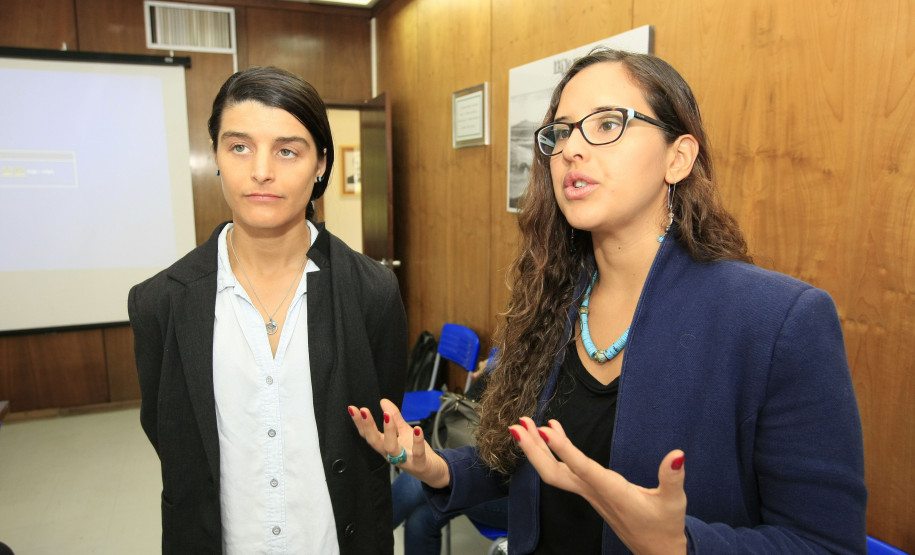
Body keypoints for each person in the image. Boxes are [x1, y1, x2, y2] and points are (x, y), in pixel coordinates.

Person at [350, 48, 866, 554]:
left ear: (677, 158)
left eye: (606, 124)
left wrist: (679, 547)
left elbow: (825, 542)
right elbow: (521, 461)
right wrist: (436, 467)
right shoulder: (549, 302)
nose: (573, 149)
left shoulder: (777, 321)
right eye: (562, 132)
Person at [129, 66, 407, 554]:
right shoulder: (161, 302)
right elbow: (169, 434)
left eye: (287, 150)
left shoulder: (372, 292)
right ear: (215, 155)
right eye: (239, 147)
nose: (261, 170)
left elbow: (377, 424)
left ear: (321, 163)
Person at [391, 363, 508, 555]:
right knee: (420, 520)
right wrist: (496, 361)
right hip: (498, 474)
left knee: (417, 480)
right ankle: (365, 539)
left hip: (527, 500)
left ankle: (362, 542)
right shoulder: (532, 355)